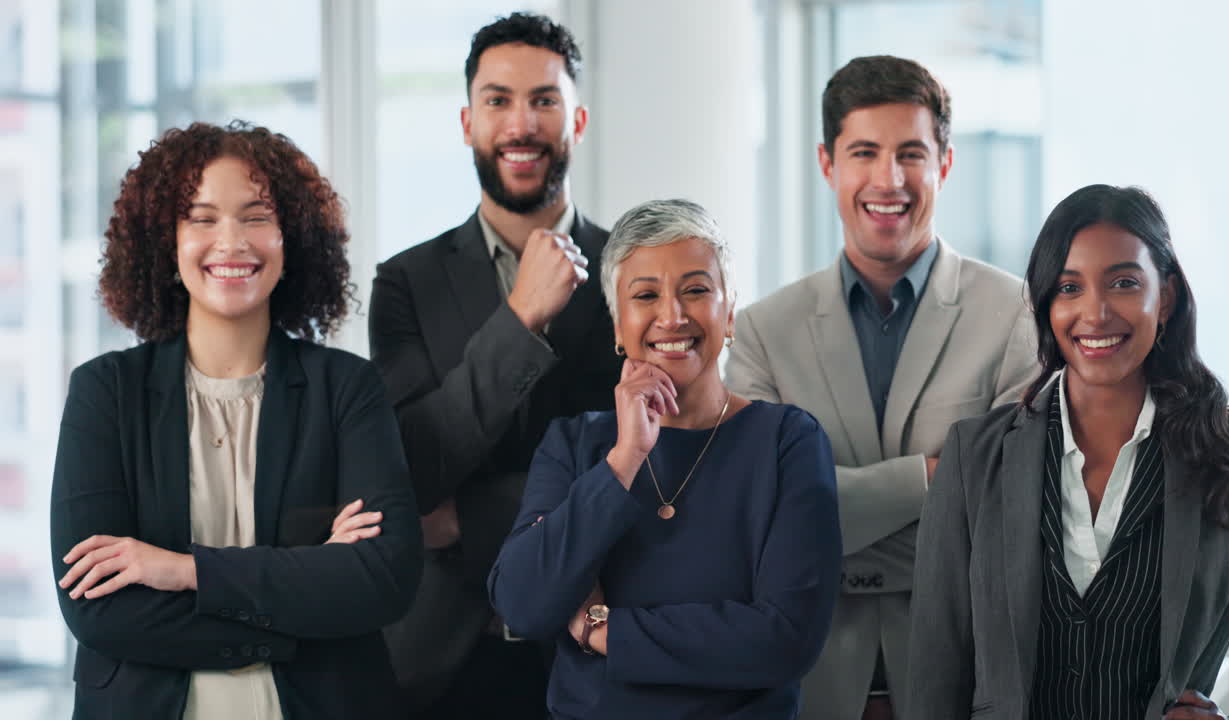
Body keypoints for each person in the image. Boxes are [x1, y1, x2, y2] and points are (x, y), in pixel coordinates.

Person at [49, 121, 423, 719]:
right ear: (165, 242)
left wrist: (182, 570)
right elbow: (97, 607)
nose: (232, 242)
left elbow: (383, 579)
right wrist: (297, 602)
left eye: (256, 216)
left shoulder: (346, 388)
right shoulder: (105, 393)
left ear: (290, 237)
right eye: (201, 218)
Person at [724, 55, 1038, 719]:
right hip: (806, 680)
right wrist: (932, 478)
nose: (888, 180)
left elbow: (1009, 516)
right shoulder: (760, 333)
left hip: (962, 678)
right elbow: (762, 521)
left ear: (945, 165)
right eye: (864, 152)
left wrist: (827, 520)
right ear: (827, 163)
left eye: (911, 154)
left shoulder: (1016, 314)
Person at [907, 184, 1229, 720]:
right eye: (1069, 287)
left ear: (1166, 296)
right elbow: (934, 679)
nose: (1096, 312)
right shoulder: (975, 457)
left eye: (1124, 283)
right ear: (1046, 303)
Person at [488, 199, 841, 719]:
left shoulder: (789, 441)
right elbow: (522, 601)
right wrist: (624, 459)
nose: (672, 316)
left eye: (696, 290)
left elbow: (787, 639)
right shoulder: (573, 446)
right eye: (646, 295)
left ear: (730, 312)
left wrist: (604, 630)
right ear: (617, 325)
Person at [368, 12, 621, 717]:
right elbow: (414, 467)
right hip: (441, 662)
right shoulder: (403, 285)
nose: (521, 124)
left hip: (596, 652)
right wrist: (520, 320)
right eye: (498, 101)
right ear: (466, 121)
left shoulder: (635, 275)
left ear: (578, 119)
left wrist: (466, 519)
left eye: (544, 100)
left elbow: (640, 467)